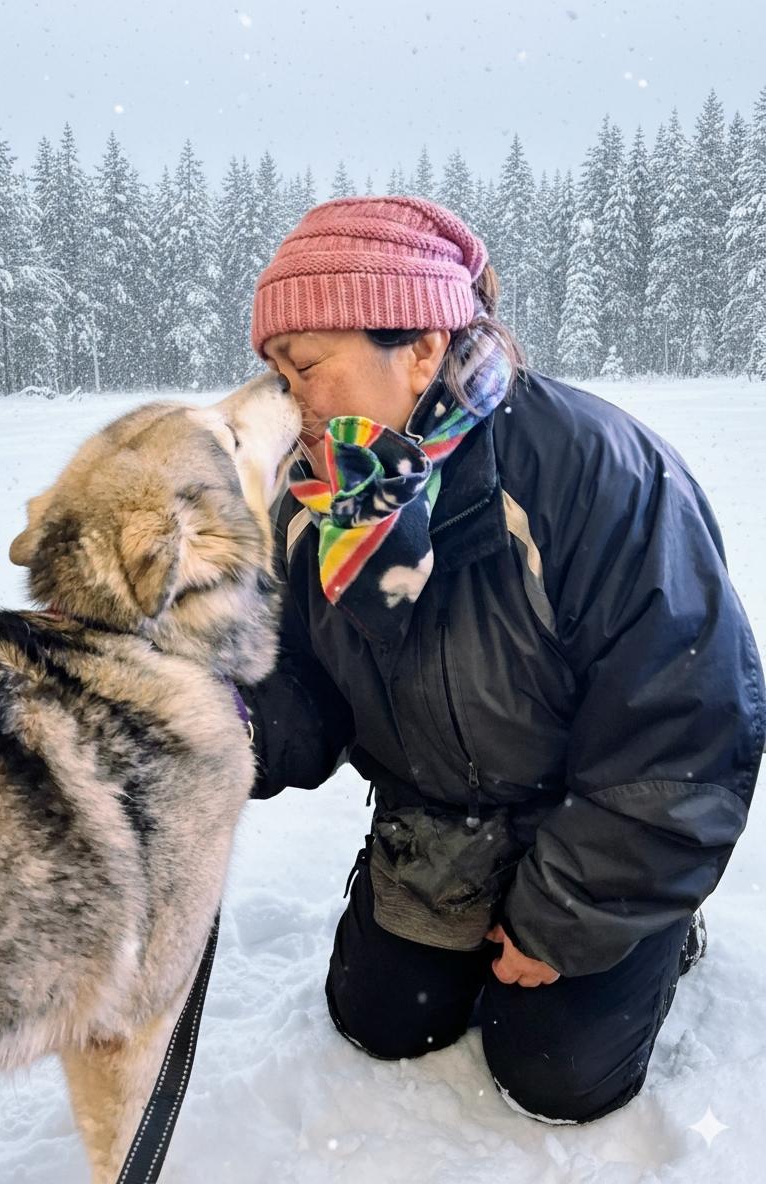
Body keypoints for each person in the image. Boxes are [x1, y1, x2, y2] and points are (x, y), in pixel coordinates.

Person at [235, 195, 765, 1125]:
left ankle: (656, 932)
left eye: (306, 367)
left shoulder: (597, 475)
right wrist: (223, 727)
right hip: (437, 819)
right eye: (275, 372)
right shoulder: (314, 503)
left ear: (424, 349)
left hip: (594, 820)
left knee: (553, 1074)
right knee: (379, 1023)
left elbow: (685, 734)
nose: (288, 402)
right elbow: (304, 693)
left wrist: (566, 918)